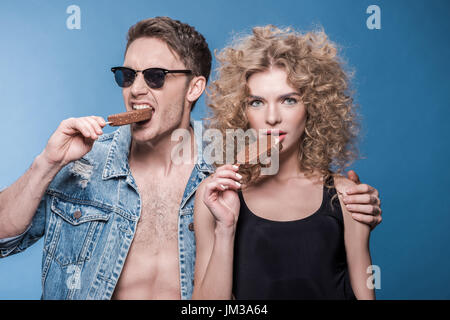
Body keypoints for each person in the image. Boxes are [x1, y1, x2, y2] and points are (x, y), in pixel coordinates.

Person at [0, 18, 381, 300]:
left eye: (155, 77)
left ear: (195, 86)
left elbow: (300, 183)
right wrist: (45, 165)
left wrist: (352, 201)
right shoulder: (82, 164)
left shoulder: (230, 158)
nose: (136, 90)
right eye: (126, 76)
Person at [193, 26, 376, 299]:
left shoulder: (346, 195)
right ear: (241, 111)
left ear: (313, 106)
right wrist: (225, 229)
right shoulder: (215, 195)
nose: (272, 117)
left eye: (288, 100)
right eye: (256, 102)